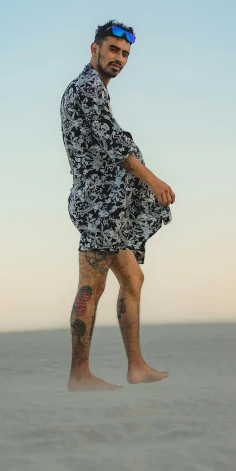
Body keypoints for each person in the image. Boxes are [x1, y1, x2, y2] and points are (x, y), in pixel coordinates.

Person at [60, 20, 176, 391]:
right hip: (98, 205)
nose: (120, 58)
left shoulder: (95, 89)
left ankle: (136, 366)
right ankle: (79, 375)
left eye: (125, 53)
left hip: (110, 205)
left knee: (132, 278)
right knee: (90, 287)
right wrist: (152, 179)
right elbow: (114, 145)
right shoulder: (86, 88)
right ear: (94, 49)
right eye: (113, 49)